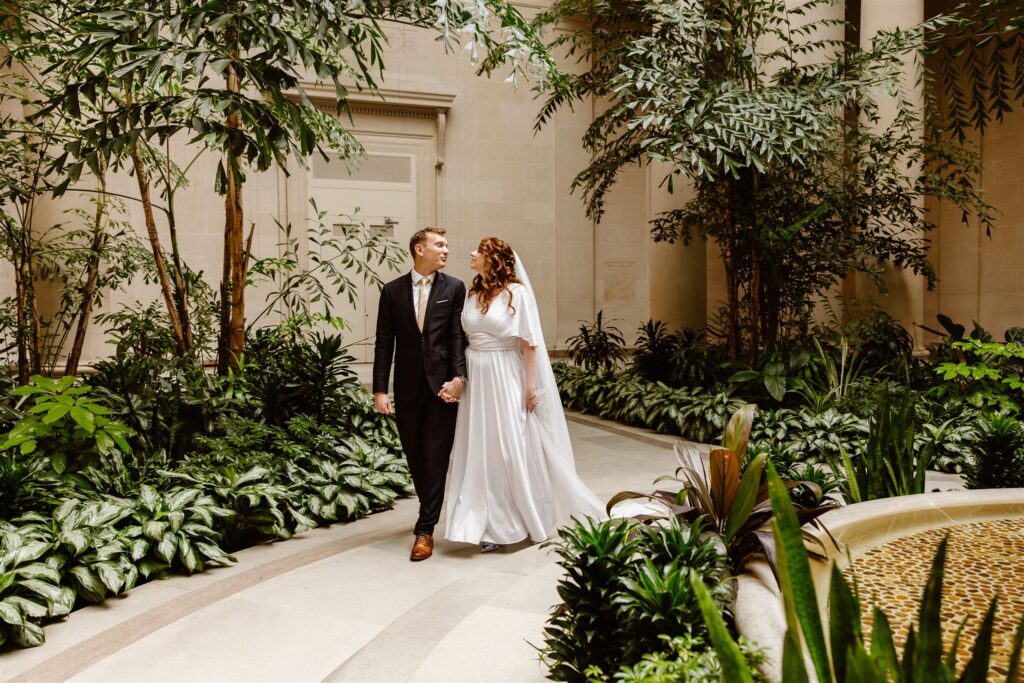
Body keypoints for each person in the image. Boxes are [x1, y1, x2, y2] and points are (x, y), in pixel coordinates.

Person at [441, 237, 605, 551]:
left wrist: (529, 389)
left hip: (505, 375)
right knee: (478, 449)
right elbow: (460, 339)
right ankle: (481, 524)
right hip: (476, 377)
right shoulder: (472, 293)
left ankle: (520, 520)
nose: (471, 253)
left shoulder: (517, 294)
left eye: (479, 250)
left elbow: (529, 344)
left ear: (493, 258)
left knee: (508, 448)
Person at [373, 227, 468, 561]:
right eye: (439, 244)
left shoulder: (454, 287)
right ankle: (428, 508)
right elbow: (384, 342)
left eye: (447, 245)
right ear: (419, 249)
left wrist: (459, 377)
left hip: (442, 387)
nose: (446, 250)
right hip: (407, 386)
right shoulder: (392, 291)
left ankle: (425, 529)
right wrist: (380, 389)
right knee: (415, 455)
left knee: (435, 456)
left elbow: (457, 336)